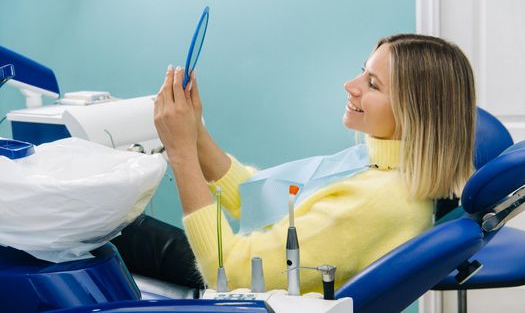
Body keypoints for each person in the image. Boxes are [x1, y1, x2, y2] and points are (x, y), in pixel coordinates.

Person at [147, 33, 476, 293]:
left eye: (372, 84)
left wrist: (181, 154)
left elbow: (234, 274)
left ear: (414, 113)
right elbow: (263, 199)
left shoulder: (375, 203)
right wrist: (195, 134)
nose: (351, 86)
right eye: (364, 71)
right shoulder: (382, 168)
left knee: (120, 236)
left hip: (246, 290)